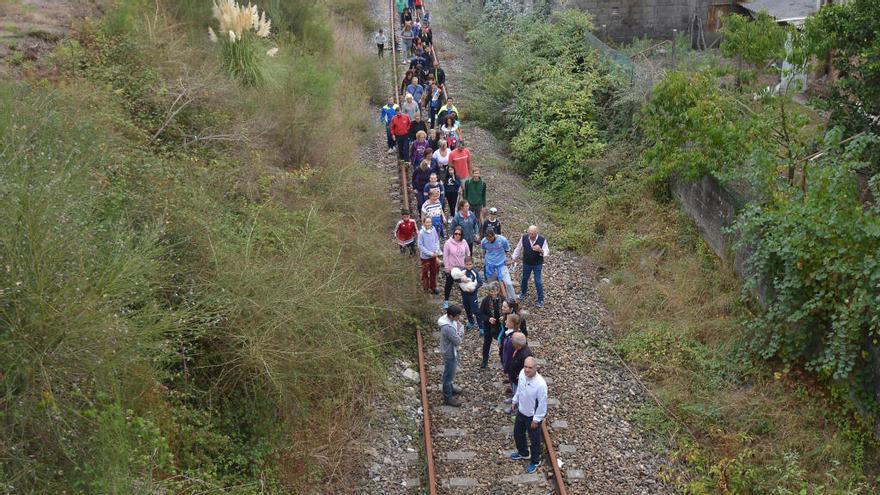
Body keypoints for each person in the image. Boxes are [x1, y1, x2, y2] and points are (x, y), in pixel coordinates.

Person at [510, 356, 547, 474]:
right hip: (521, 411)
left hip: (532, 416)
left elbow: (542, 404)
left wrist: (536, 420)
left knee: (534, 440)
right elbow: (520, 390)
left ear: (535, 368)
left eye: (530, 368)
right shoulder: (522, 374)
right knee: (517, 433)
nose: (526, 370)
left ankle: (535, 461)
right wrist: (514, 400)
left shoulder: (540, 384)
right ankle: (523, 453)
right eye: (525, 366)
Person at [512, 225, 550, 308]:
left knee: (538, 281)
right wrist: (514, 257)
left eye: (532, 234)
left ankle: (540, 300)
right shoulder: (524, 238)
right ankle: (523, 293)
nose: (530, 235)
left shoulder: (542, 239)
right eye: (529, 233)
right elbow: (518, 248)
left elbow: (547, 253)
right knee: (524, 278)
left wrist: (540, 250)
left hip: (538, 263)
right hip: (527, 262)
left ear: (536, 233)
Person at [438, 304, 465, 406]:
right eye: (458, 316)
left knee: (450, 373)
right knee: (448, 375)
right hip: (450, 353)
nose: (459, 318)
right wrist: (461, 331)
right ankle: (448, 397)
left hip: (450, 350)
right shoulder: (448, 328)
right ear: (451, 316)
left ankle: (451, 389)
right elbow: (458, 341)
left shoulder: (448, 321)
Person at [481, 227, 515, 298]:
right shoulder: (484, 241)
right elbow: (483, 251)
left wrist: (503, 258)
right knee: (492, 286)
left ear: (494, 235)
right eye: (487, 238)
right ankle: (496, 300)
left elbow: (506, 250)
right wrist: (486, 261)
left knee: (508, 283)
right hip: (490, 266)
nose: (489, 240)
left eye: (490, 238)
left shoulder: (502, 240)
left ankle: (512, 300)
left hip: (501, 265)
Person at [441, 225, 469, 308]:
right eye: (456, 233)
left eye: (459, 234)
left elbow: (468, 253)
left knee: (463, 284)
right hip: (452, 268)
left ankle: (465, 301)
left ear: (462, 235)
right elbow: (445, 256)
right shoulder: (448, 243)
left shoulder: (464, 242)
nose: (457, 235)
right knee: (449, 284)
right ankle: (446, 301)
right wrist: (447, 267)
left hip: (462, 267)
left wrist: (467, 264)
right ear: (453, 234)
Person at [505, 332, 532, 413]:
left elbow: (526, 370)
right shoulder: (520, 349)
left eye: (512, 341)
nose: (511, 342)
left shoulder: (525, 355)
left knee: (519, 392)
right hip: (514, 376)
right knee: (514, 390)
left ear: (517, 345)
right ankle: (513, 399)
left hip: (518, 379)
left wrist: (518, 377)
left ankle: (515, 408)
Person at [479, 282, 502, 369]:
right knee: (487, 343)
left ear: (498, 291)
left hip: (500, 325)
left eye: (494, 291)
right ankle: (484, 361)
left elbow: (507, 310)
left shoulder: (502, 299)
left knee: (501, 342)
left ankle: (503, 359)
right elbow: (481, 314)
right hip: (488, 325)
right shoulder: (485, 300)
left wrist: (503, 317)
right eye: (491, 291)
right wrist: (488, 319)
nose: (493, 293)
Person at [458, 256, 482, 330]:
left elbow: (480, 282)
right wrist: (461, 281)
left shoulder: (474, 272)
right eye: (467, 264)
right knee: (467, 309)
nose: (468, 266)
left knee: (475, 310)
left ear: (473, 264)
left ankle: (481, 326)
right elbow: (456, 279)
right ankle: (471, 322)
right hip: (464, 295)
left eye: (470, 264)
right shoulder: (462, 272)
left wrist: (474, 288)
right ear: (464, 264)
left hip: (472, 295)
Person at [418, 216, 441, 294]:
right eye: (427, 222)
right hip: (425, 257)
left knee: (433, 271)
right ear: (424, 223)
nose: (428, 224)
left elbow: (436, 240)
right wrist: (430, 253)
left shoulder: (433, 229)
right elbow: (420, 246)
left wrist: (437, 250)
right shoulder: (421, 233)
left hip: (433, 255)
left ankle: (433, 286)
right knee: (425, 273)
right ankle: (425, 287)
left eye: (430, 222)